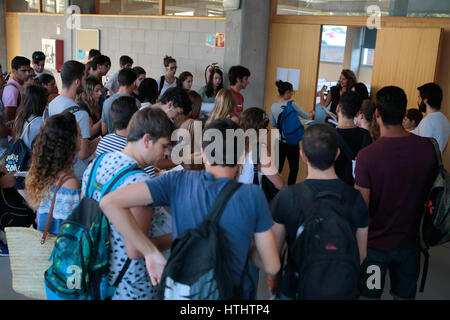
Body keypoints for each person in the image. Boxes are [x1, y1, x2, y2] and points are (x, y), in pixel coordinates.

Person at [99, 118, 281, 299]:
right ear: (241, 155)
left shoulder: (178, 181)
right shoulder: (252, 196)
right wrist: (244, 247)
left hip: (184, 292)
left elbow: (109, 203)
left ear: (203, 153)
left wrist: (150, 252)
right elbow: (272, 266)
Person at [355, 86, 438, 300]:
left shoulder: (367, 157)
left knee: (369, 296)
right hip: (410, 245)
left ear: (377, 114)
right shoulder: (427, 149)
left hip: (374, 248)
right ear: (404, 114)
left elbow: (360, 209)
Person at [269, 123, 369, 299]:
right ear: (337, 154)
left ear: (303, 156)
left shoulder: (287, 197)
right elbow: (361, 255)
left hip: (296, 288)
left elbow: (273, 257)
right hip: (343, 289)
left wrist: (273, 283)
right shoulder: (356, 198)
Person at [83, 107, 174, 300]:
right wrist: (179, 235)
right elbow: (134, 250)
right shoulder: (140, 181)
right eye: (164, 146)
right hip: (129, 285)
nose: (167, 153)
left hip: (95, 272)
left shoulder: (97, 163)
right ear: (147, 139)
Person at [25, 112, 81, 236]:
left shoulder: (42, 175)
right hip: (59, 252)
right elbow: (71, 230)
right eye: (79, 135)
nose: (81, 138)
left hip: (43, 250)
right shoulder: (70, 183)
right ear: (68, 143)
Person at [48, 60, 100, 180]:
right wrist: (98, 141)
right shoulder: (80, 114)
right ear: (77, 82)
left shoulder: (52, 104)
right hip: (75, 175)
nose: (86, 82)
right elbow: (82, 153)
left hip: (57, 171)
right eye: (85, 78)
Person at [270, 80, 313, 186]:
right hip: (292, 142)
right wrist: (312, 113)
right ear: (288, 92)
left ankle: (274, 189)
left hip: (280, 141)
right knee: (294, 168)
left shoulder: (273, 106)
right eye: (292, 92)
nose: (292, 94)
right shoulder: (292, 104)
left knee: (277, 168)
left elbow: (274, 124)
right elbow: (306, 116)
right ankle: (291, 190)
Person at [237, 107, 285, 191]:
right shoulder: (260, 150)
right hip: (250, 199)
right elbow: (279, 184)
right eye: (265, 129)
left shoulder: (233, 144)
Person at [335, 91, 372, 186]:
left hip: (333, 190)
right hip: (355, 189)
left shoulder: (328, 135)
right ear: (358, 113)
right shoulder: (365, 135)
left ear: (338, 107)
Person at [411, 83, 450, 152]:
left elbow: (422, 150)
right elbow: (444, 147)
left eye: (419, 97)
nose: (418, 101)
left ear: (425, 100)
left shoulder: (428, 121)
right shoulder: (445, 120)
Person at [101, 68, 141, 135]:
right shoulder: (136, 103)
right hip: (128, 141)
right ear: (134, 84)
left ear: (117, 82)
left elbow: (104, 130)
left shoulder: (106, 102)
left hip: (110, 141)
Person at [12, 85, 46, 150]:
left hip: (21, 158)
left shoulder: (19, 118)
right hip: (31, 158)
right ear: (42, 101)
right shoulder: (40, 122)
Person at [2, 56, 32, 122]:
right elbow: (9, 119)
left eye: (29, 70)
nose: (28, 73)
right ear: (13, 71)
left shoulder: (20, 85)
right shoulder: (12, 90)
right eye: (23, 71)